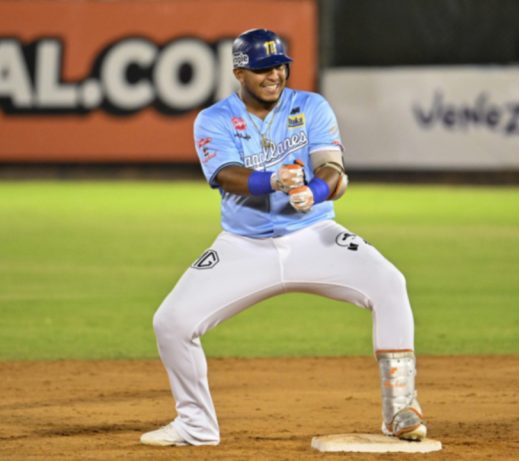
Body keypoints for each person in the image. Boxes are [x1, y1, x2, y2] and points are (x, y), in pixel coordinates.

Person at [140, 28, 428, 447]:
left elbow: (333, 168)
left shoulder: (310, 106)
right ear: (239, 73)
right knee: (171, 322)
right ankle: (196, 425)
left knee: (390, 283)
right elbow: (226, 176)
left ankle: (401, 408)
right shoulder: (214, 119)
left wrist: (316, 191)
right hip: (244, 246)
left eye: (279, 66)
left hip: (315, 236)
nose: (274, 75)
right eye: (262, 69)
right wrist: (272, 180)